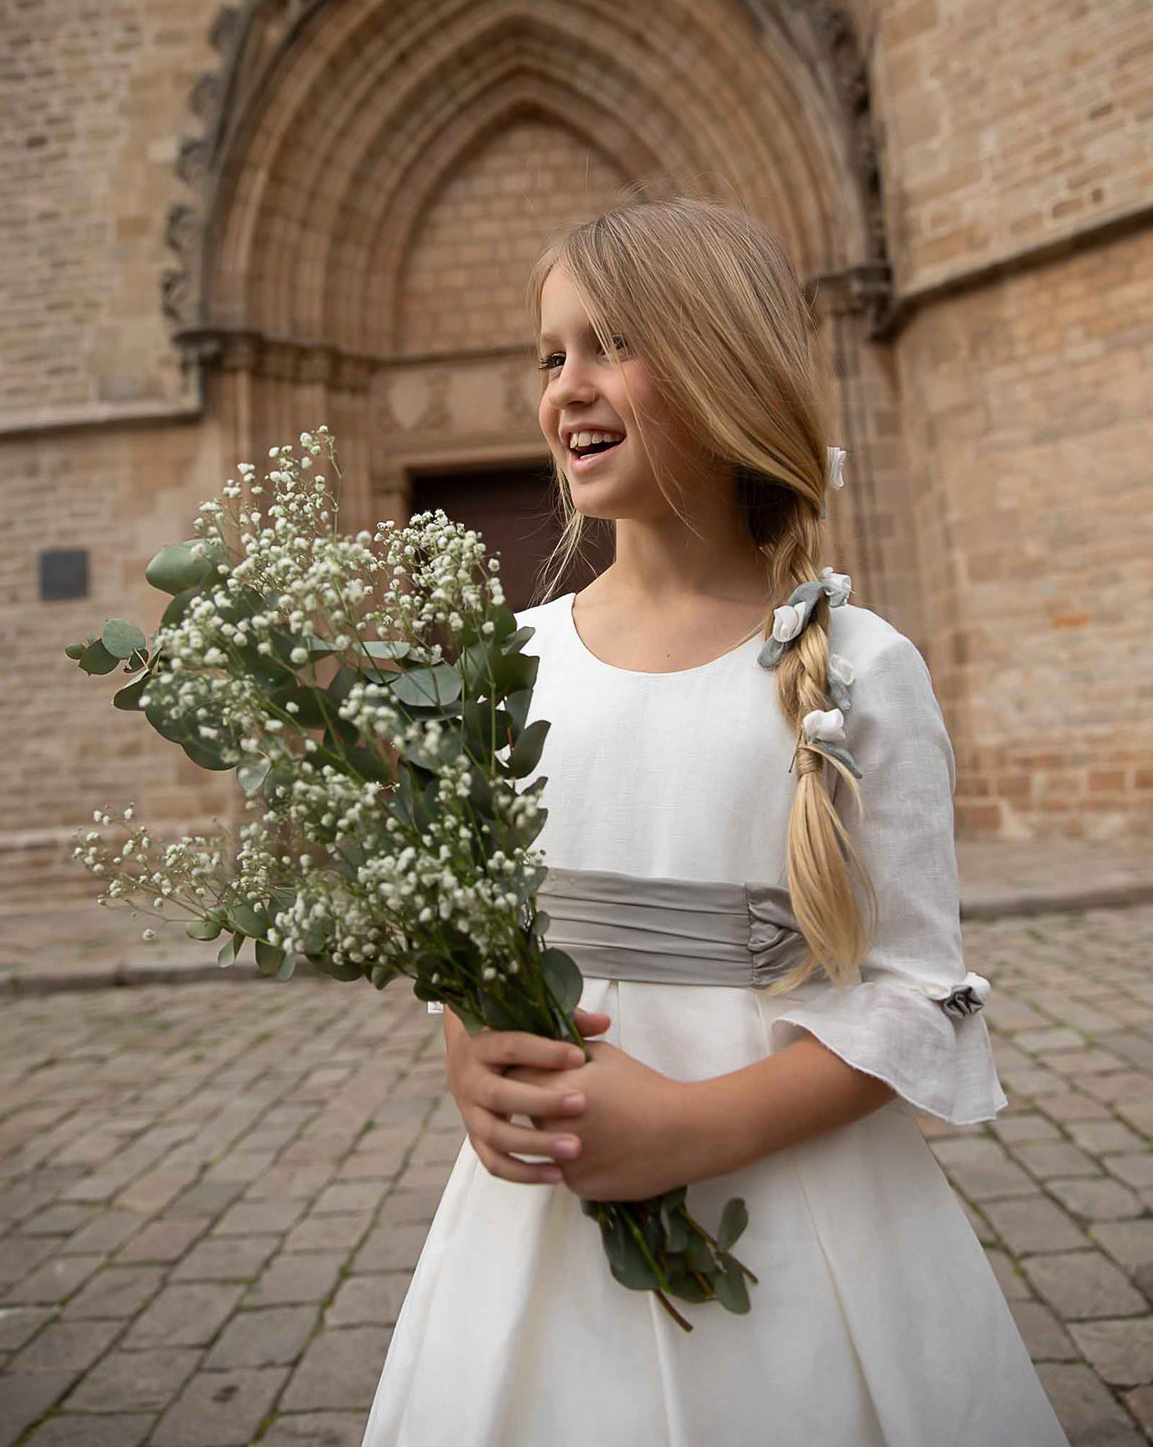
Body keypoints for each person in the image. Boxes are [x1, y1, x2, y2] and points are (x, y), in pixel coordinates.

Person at [362, 196, 1070, 1446]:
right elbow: (476, 934)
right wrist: (474, 1057)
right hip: (543, 1216)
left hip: (801, 1221)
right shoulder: (503, 667)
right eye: (550, 356)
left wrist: (689, 1130)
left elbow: (919, 995)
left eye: (611, 345)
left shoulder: (857, 667)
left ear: (723, 364)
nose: (567, 387)